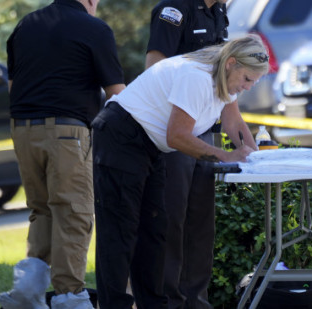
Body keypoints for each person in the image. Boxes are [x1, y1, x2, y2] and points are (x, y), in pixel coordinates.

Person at [92, 35, 268, 309]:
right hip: (121, 136)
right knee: (120, 232)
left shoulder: (226, 77)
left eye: (253, 83)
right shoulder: (196, 77)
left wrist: (257, 160)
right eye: (247, 79)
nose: (246, 87)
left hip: (150, 145)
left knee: (155, 232)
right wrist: (226, 156)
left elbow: (233, 122)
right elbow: (177, 136)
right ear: (232, 63)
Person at [0, 0, 126, 309]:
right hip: (67, 132)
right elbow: (117, 93)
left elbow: (14, 85)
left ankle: (28, 292)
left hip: (22, 129)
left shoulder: (26, 24)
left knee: (41, 210)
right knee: (74, 211)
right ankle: (70, 297)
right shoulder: (95, 29)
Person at [145, 0, 256, 309]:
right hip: (174, 135)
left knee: (200, 223)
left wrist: (238, 127)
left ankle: (197, 300)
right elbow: (153, 70)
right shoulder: (174, 9)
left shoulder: (218, 13)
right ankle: (169, 301)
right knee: (171, 222)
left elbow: (224, 81)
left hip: (205, 132)